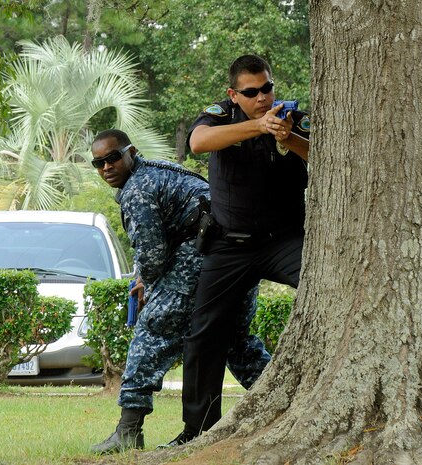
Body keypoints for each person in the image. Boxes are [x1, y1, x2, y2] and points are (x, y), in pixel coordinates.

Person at [88, 129, 271, 454]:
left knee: (153, 332)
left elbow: (153, 256)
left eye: (113, 158)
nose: (106, 168)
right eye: (98, 163)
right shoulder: (159, 172)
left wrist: (147, 283)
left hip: (205, 253)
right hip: (245, 254)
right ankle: (286, 401)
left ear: (131, 151)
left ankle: (129, 431)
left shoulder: (138, 188)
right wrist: (146, 276)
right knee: (233, 341)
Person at [166, 54, 310, 446]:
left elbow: (325, 157)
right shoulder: (220, 116)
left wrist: (287, 137)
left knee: (329, 292)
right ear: (234, 94)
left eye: (268, 88)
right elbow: (197, 142)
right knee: (205, 333)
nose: (263, 97)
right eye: (252, 92)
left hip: (284, 241)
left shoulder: (293, 117)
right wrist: (256, 127)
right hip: (230, 245)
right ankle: (198, 432)